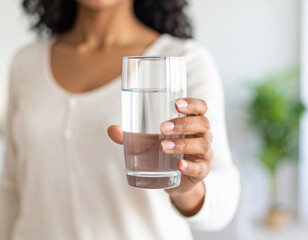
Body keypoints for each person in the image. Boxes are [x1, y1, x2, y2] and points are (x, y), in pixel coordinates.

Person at [0, 0, 240, 239]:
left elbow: (223, 205)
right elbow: (11, 189)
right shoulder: (26, 63)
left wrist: (187, 188)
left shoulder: (184, 60)